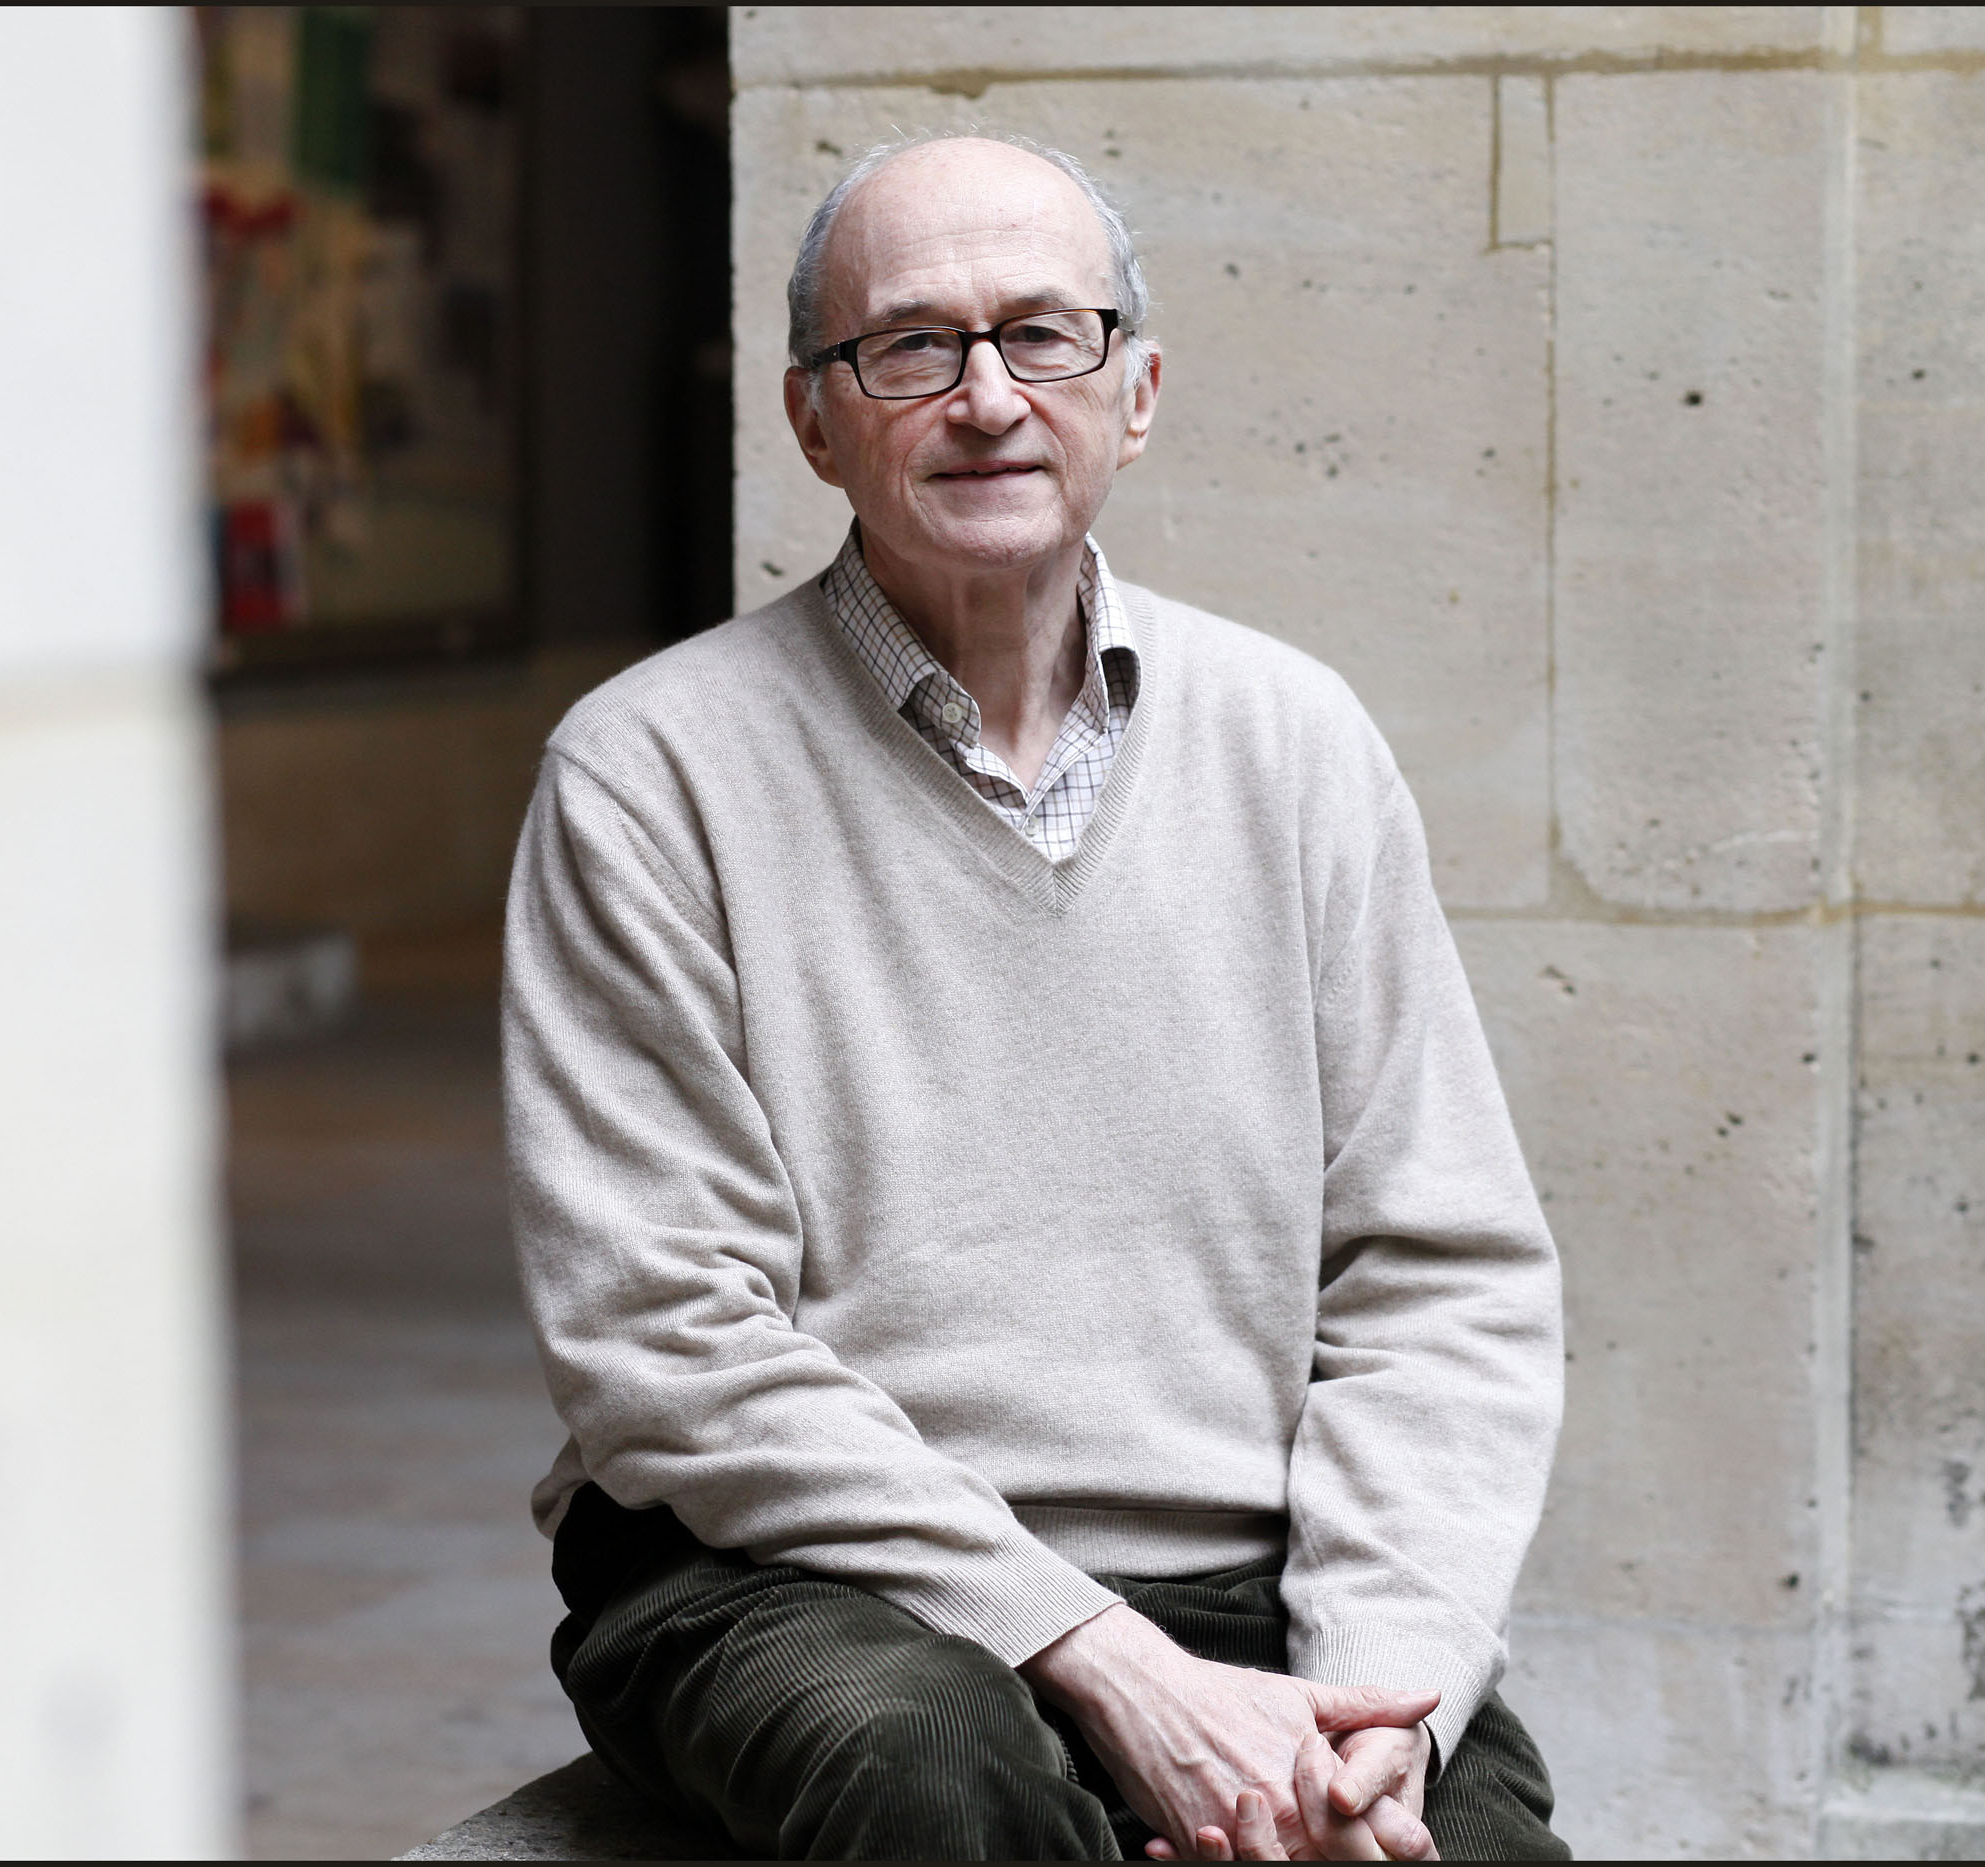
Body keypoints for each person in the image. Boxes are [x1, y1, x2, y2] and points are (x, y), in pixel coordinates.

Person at [504, 131, 1568, 1862]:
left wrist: (1382, 1685)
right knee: (933, 1765)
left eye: (1043, 336)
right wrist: (1103, 1660)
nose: (988, 398)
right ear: (812, 419)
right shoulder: (648, 773)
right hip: (794, 1576)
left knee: (1456, 1836)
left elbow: (1441, 1278)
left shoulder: (1297, 744)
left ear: (1134, 394)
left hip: (1241, 1568)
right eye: (911, 347)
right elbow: (662, 1336)